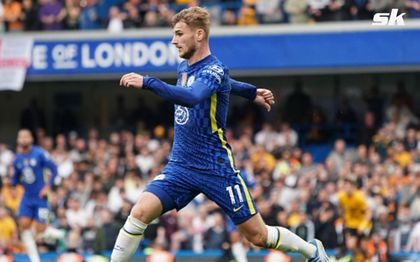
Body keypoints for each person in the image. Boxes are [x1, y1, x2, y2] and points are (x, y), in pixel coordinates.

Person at [112, 6, 329, 262]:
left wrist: (148, 82)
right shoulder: (186, 67)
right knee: (139, 213)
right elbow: (225, 83)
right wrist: (250, 92)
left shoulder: (213, 68)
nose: (174, 40)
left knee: (258, 237)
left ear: (199, 34)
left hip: (216, 168)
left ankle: (312, 251)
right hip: (180, 166)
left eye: (180, 34)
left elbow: (193, 96)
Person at [13, 129, 58, 262]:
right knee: (23, 226)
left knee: (40, 230)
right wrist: (13, 186)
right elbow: (15, 179)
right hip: (27, 197)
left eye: (26, 137)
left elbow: (54, 170)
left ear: (31, 139)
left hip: (40, 197)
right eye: (21, 137)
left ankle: (53, 232)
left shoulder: (40, 154)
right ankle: (34, 259)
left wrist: (47, 187)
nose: (23, 139)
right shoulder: (17, 159)